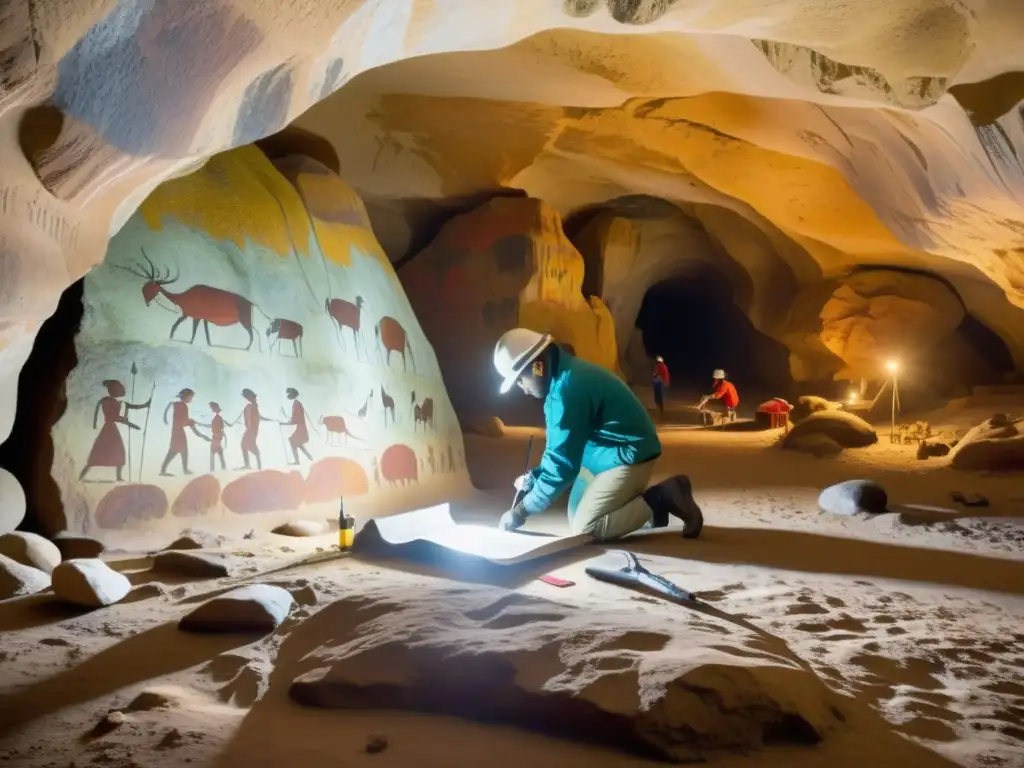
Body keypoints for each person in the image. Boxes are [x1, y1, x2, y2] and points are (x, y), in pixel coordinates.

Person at [493, 328, 703, 541]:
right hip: (601, 454)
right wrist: (535, 477)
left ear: (537, 366)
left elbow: (562, 466)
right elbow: (562, 451)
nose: (522, 388)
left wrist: (521, 511)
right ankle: (649, 513)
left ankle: (663, 497)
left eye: (520, 380)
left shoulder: (567, 391)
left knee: (587, 528)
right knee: (575, 515)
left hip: (630, 454)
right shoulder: (565, 376)